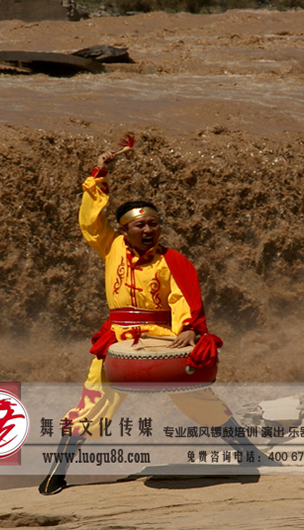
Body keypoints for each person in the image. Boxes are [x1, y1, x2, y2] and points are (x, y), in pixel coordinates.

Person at [39, 151, 267, 495]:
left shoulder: (171, 261)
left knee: (197, 398)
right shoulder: (111, 246)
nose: (148, 230)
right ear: (124, 229)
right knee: (93, 403)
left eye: (153, 224)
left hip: (162, 337)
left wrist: (189, 328)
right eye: (140, 225)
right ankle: (58, 472)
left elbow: (183, 298)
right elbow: (89, 223)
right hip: (117, 338)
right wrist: (99, 176)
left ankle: (250, 454)